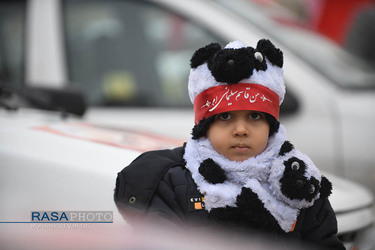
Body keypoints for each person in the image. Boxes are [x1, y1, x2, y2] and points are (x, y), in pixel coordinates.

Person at [114, 39, 345, 249]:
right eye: (225, 117)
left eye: (255, 116)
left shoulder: (299, 182)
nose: (241, 130)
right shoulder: (173, 183)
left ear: (271, 125)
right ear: (205, 125)